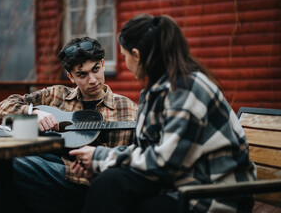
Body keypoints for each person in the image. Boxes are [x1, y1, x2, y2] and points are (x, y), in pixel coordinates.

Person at [70, 15, 256, 213]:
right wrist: (100, 166)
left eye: (124, 56)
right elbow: (147, 151)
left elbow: (166, 163)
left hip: (213, 195)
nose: (124, 62)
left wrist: (100, 157)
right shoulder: (157, 91)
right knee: (107, 183)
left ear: (137, 55)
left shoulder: (187, 90)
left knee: (122, 195)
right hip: (179, 183)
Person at [0, 36, 138, 213]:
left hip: (78, 182)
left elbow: (134, 160)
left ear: (103, 64)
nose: (92, 80)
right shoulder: (56, 95)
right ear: (71, 77)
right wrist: (33, 112)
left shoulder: (128, 109)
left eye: (96, 69)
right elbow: (4, 106)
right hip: (40, 167)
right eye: (82, 74)